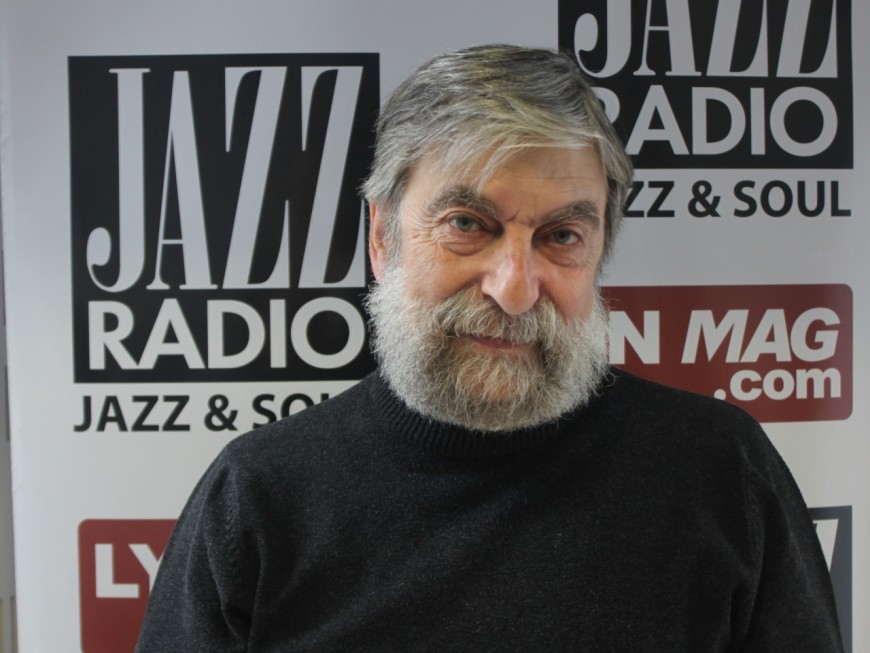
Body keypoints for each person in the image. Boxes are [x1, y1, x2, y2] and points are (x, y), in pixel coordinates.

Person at [136, 44, 844, 651]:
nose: (514, 289)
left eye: (561, 236)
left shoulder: (721, 472)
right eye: (468, 224)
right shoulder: (258, 501)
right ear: (382, 237)